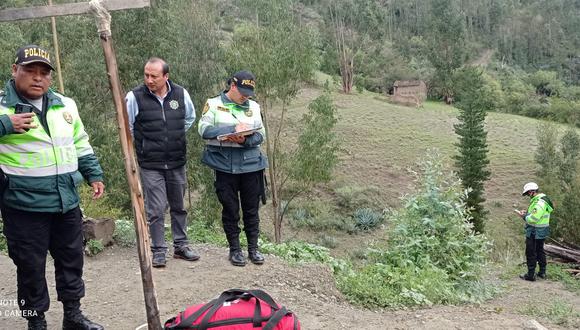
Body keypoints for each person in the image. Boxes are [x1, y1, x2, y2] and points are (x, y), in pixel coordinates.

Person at [0, 45, 105, 330]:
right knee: (30, 267)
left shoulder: (64, 104)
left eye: (43, 73)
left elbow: (80, 142)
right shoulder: (2, 107)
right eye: (30, 71)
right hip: (23, 204)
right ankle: (37, 322)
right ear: (14, 71)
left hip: (65, 200)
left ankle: (73, 316)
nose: (37, 78)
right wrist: (4, 124)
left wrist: (93, 174)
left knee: (71, 260)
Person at [125, 57, 199, 268]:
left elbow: (189, 118)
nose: (149, 80)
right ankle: (158, 250)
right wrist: (146, 143)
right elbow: (127, 126)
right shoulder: (134, 97)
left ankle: (181, 246)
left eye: (154, 76)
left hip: (177, 160)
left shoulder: (180, 94)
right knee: (156, 209)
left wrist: (172, 135)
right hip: (151, 163)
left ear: (166, 76)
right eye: (146, 75)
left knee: (178, 206)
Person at [198, 70, 268, 267]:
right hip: (224, 166)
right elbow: (203, 130)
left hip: (251, 165)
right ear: (233, 86)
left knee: (251, 209)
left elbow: (260, 135)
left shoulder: (254, 107)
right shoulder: (213, 104)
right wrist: (230, 131)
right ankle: (235, 249)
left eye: (249, 93)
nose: (245, 96)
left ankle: (253, 249)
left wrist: (245, 139)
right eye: (242, 92)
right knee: (230, 209)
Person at [515, 182, 554, 281]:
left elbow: (534, 218)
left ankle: (531, 275)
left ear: (532, 192)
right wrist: (527, 212)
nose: (528, 196)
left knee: (530, 252)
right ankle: (542, 273)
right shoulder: (542, 200)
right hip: (541, 230)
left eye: (528, 193)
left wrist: (523, 216)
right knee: (540, 251)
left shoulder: (539, 202)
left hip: (535, 231)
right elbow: (536, 214)